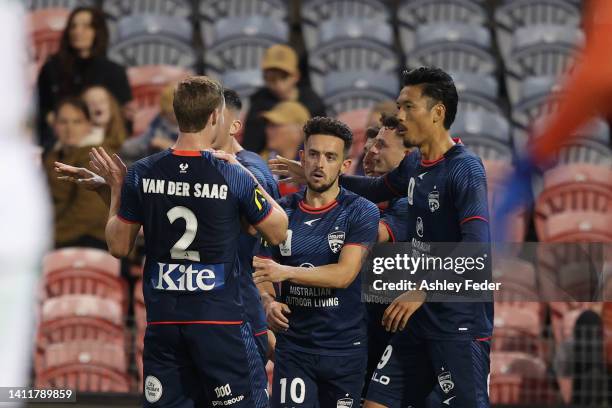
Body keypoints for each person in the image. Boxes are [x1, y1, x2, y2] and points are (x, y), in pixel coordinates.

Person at [270, 67, 492, 408]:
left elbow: (476, 246)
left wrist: (422, 290)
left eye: (408, 107)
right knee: (375, 402)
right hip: (416, 317)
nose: (398, 115)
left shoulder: (466, 168)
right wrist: (316, 176)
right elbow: (375, 188)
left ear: (437, 113)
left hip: (456, 320)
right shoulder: (415, 162)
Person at [102, 76, 288, 407]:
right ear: (216, 115)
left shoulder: (142, 172)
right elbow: (276, 230)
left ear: (175, 114)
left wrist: (116, 192)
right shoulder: (230, 171)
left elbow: (118, 247)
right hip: (219, 322)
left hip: (163, 321)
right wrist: (244, 175)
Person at [253, 117, 380, 408]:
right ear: (302, 157)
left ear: (344, 166)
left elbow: (344, 274)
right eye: (313, 154)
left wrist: (284, 272)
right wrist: (267, 303)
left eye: (330, 156)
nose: (320, 164)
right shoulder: (280, 212)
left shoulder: (361, 212)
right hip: (295, 349)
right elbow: (260, 272)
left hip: (344, 351)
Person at [214, 88, 281, 364]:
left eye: (215, 118)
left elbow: (258, 230)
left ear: (234, 126)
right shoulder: (217, 165)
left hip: (242, 299)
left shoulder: (249, 168)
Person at [37, 6, 132, 151]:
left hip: (101, 149)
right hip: (58, 146)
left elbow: (125, 122)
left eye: (86, 26)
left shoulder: (114, 72)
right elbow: (41, 113)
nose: (78, 31)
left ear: (98, 32)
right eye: (73, 26)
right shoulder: (51, 69)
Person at [44, 98, 109, 249]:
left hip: (95, 239)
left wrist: (46, 239)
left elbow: (87, 214)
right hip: (59, 233)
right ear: (54, 126)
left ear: (88, 125)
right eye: (63, 122)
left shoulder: (96, 157)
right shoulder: (52, 156)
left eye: (77, 122)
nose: (70, 128)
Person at [242, 44, 326, 153]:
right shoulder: (259, 104)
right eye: (271, 78)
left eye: (284, 76)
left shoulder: (312, 102)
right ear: (264, 77)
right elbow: (251, 148)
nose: (278, 84)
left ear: (296, 76)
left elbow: (324, 141)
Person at [121, 83, 180, 165]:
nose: (166, 114)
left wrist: (168, 146)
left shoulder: (190, 127)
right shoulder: (160, 120)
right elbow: (141, 141)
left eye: (171, 112)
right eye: (166, 112)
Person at [262, 101, 311, 196]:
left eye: (275, 125)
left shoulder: (312, 166)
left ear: (299, 130)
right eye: (268, 125)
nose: (267, 130)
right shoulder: (260, 163)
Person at [82, 85, 127, 151]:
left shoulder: (125, 141)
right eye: (91, 103)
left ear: (112, 106)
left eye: (102, 101)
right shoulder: (81, 143)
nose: (97, 105)